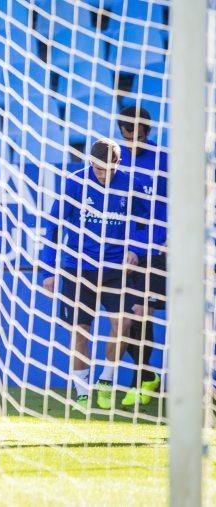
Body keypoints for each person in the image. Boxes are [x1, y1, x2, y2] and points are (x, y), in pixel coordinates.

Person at [39, 138, 153, 411]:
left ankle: (106, 379)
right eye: (98, 169)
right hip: (78, 269)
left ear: (118, 164)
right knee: (81, 332)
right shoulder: (75, 183)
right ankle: (81, 390)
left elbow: (146, 223)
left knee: (124, 323)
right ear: (90, 163)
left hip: (115, 270)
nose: (102, 175)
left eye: (107, 170)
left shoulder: (130, 185)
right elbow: (54, 226)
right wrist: (48, 270)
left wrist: (134, 249)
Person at [118, 105, 167, 407]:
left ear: (147, 131)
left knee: (141, 312)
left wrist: (147, 245)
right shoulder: (117, 159)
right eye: (126, 134)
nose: (131, 140)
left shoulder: (164, 161)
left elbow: (167, 209)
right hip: (122, 251)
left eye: (136, 134)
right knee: (123, 318)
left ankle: (140, 380)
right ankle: (147, 375)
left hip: (155, 249)